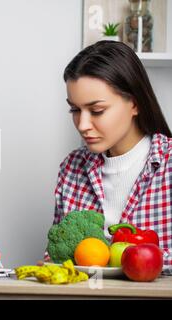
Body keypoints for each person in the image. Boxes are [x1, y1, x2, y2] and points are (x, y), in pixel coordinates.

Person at [52, 41, 171, 270]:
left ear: (135, 103)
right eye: (75, 110)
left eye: (97, 111)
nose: (82, 124)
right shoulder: (71, 169)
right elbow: (57, 258)